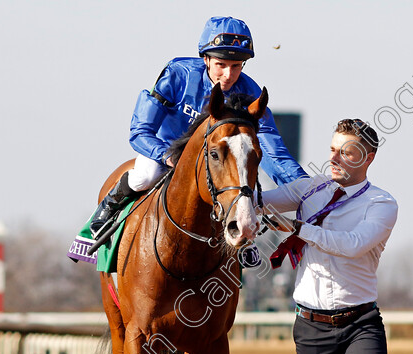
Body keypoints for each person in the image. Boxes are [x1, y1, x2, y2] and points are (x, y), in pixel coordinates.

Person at [89, 16, 307, 237]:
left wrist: (309, 188)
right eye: (221, 65)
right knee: (146, 175)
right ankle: (112, 203)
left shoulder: (251, 93)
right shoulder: (178, 75)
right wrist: (166, 156)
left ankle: (243, 245)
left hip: (214, 163)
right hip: (164, 152)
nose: (229, 75)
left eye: (236, 66)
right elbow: (140, 131)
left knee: (238, 191)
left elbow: (275, 154)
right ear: (206, 59)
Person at [262, 119, 398, 354]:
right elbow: (258, 203)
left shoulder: (381, 203)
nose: (334, 159)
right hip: (310, 327)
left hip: (360, 324)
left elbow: (353, 245)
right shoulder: (309, 188)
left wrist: (299, 229)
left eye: (346, 152)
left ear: (368, 157)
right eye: (333, 149)